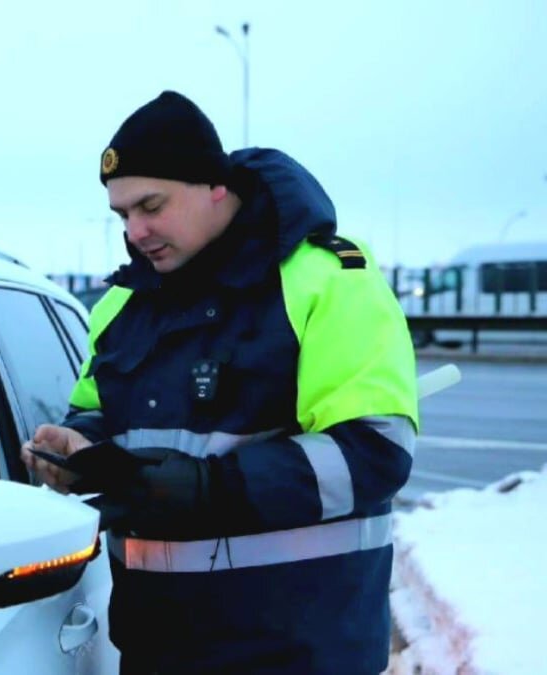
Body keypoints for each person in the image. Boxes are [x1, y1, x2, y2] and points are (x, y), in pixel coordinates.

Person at [21, 90, 419, 674]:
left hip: (301, 652)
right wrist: (77, 445)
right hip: (158, 647)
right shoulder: (122, 305)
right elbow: (96, 409)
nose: (135, 231)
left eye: (150, 206)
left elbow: (374, 451)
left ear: (214, 184)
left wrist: (210, 488)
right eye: (122, 215)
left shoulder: (326, 279)